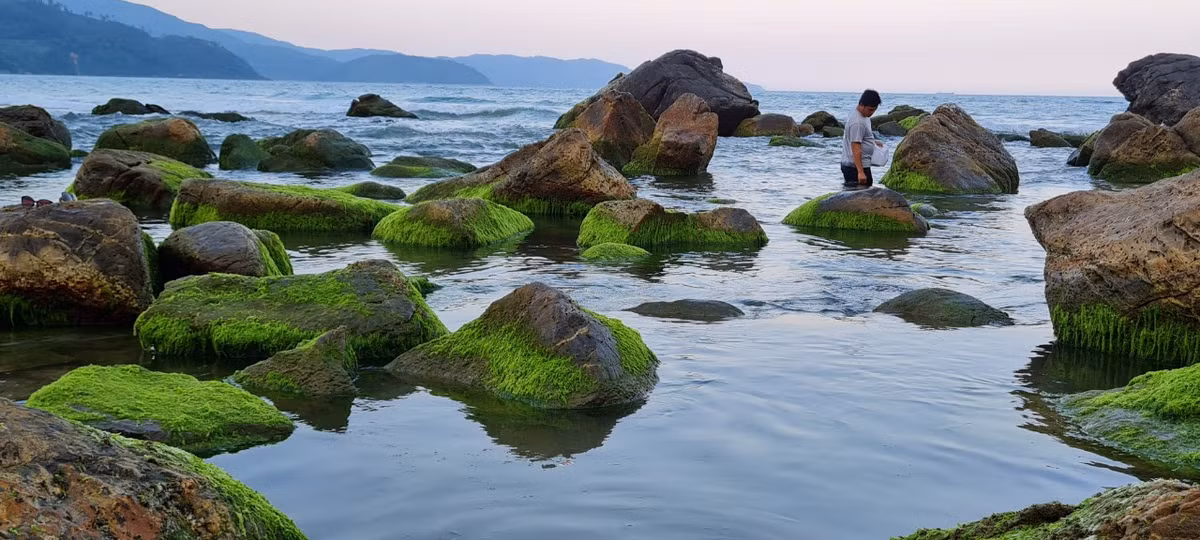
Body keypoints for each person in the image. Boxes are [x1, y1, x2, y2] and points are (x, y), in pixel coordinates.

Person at [840, 89, 885, 188]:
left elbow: (860, 137)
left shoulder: (863, 116)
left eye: (874, 110)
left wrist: (873, 142)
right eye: (870, 109)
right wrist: (860, 172)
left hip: (858, 165)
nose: (872, 113)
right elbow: (855, 147)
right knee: (861, 198)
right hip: (855, 167)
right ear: (861, 105)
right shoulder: (857, 122)